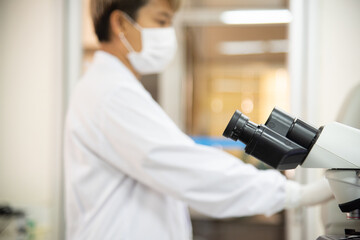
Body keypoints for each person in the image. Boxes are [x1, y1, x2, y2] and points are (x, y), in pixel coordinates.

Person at [64, 0, 333, 239]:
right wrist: (295, 194)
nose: (168, 33)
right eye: (161, 20)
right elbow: (187, 169)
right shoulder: (112, 94)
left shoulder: (111, 88)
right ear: (121, 23)